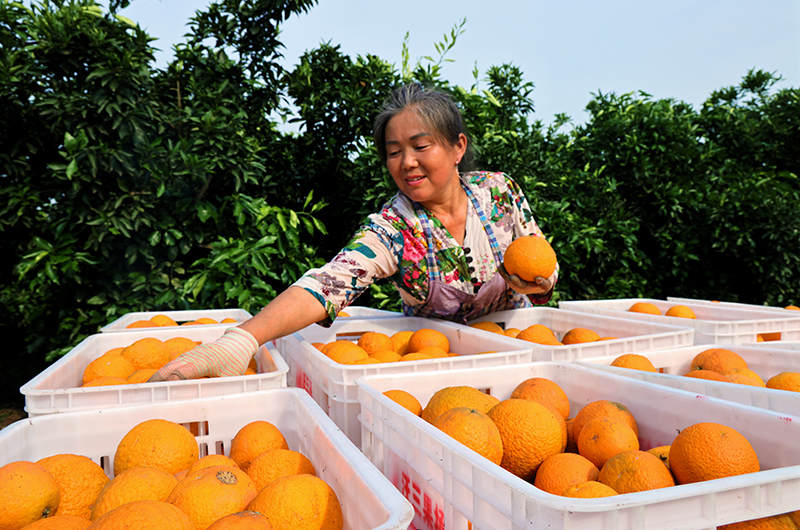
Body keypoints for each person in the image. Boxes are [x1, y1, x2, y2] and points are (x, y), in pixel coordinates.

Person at [150, 83, 558, 382]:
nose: (407, 162)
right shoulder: (395, 227)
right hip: (434, 374)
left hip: (520, 358)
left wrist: (539, 283)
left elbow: (540, 265)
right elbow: (328, 283)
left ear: (457, 147)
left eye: (420, 146)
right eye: (394, 152)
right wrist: (241, 339)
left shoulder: (499, 192)